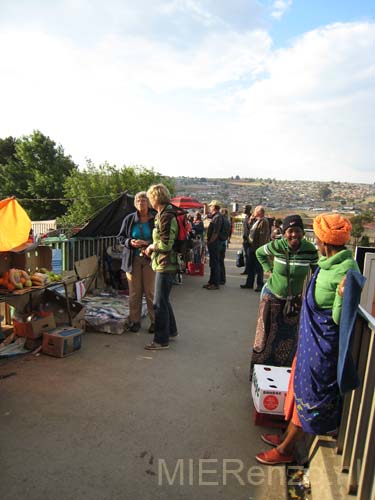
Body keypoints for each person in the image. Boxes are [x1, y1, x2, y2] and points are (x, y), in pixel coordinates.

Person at [255, 213, 361, 465]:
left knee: (311, 396)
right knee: (297, 385)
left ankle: (286, 449)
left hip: (323, 345)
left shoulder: (347, 271)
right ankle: (284, 436)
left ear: (323, 241)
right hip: (310, 341)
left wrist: (341, 295)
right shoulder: (328, 263)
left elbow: (338, 317)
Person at [249, 214, 318, 378]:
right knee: (264, 338)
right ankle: (258, 375)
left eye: (298, 231)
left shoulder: (310, 250)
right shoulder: (277, 245)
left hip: (293, 302)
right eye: (290, 231)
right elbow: (259, 252)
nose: (294, 235)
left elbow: (316, 273)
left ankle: (280, 376)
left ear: (303, 232)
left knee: (287, 340)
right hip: (271, 298)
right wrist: (268, 268)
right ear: (285, 232)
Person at [144, 184, 178, 350]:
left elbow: (165, 244)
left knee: (158, 303)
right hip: (165, 262)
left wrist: (151, 247)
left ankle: (160, 340)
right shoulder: (164, 214)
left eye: (150, 197)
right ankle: (170, 331)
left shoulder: (166, 216)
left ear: (155, 198)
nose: (149, 201)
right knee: (163, 300)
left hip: (166, 263)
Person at [117, 191, 156, 333]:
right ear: (135, 204)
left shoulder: (155, 218)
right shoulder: (129, 219)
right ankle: (135, 321)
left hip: (150, 258)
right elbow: (120, 237)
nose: (141, 203)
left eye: (144, 200)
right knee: (134, 292)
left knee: (150, 292)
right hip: (132, 258)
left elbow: (160, 238)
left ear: (149, 202)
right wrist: (129, 242)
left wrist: (147, 243)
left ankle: (155, 322)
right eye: (138, 201)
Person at [240, 206, 270, 291]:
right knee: (250, 266)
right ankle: (249, 283)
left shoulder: (263, 221)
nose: (253, 212)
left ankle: (260, 284)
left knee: (258, 267)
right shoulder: (257, 220)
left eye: (255, 211)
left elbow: (262, 236)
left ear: (259, 212)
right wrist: (251, 220)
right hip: (252, 246)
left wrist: (260, 249)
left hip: (257, 248)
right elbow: (251, 230)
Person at [203, 200, 223, 290]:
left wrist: (210, 241)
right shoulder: (216, 216)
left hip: (215, 244)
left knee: (215, 264)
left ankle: (215, 283)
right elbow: (206, 215)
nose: (210, 208)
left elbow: (216, 232)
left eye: (211, 206)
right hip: (214, 243)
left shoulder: (218, 217)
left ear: (214, 207)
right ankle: (211, 282)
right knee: (213, 263)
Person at [219, 208, 231, 285]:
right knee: (221, 262)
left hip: (221, 242)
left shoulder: (223, 220)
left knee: (220, 261)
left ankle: (221, 279)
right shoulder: (227, 221)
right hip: (224, 242)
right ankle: (222, 278)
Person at [241, 205, 252, 275]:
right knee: (246, 256)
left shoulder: (251, 218)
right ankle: (246, 269)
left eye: (244, 208)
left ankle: (249, 270)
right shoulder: (246, 217)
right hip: (245, 239)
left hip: (249, 240)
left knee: (249, 256)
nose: (243, 209)